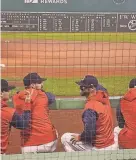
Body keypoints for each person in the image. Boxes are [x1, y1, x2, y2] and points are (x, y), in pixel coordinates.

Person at [61, 75, 117, 152]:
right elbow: (102, 88)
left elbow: (89, 134)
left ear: (92, 89)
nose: (80, 88)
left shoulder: (90, 108)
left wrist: (80, 137)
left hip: (99, 149)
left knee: (65, 138)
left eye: (83, 86)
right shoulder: (104, 97)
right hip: (112, 145)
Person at [12, 73, 58, 153]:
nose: (42, 84)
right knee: (55, 132)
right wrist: (39, 91)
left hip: (28, 148)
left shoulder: (16, 97)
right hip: (48, 144)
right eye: (40, 82)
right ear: (33, 85)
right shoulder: (44, 95)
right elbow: (52, 97)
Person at [1, 79, 31, 154]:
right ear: (1, 93)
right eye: (7, 90)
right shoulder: (7, 112)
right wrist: (27, 104)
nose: (9, 92)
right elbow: (24, 124)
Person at [115, 78, 136, 149]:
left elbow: (121, 124)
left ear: (128, 88)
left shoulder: (123, 101)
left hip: (129, 142)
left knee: (117, 130)